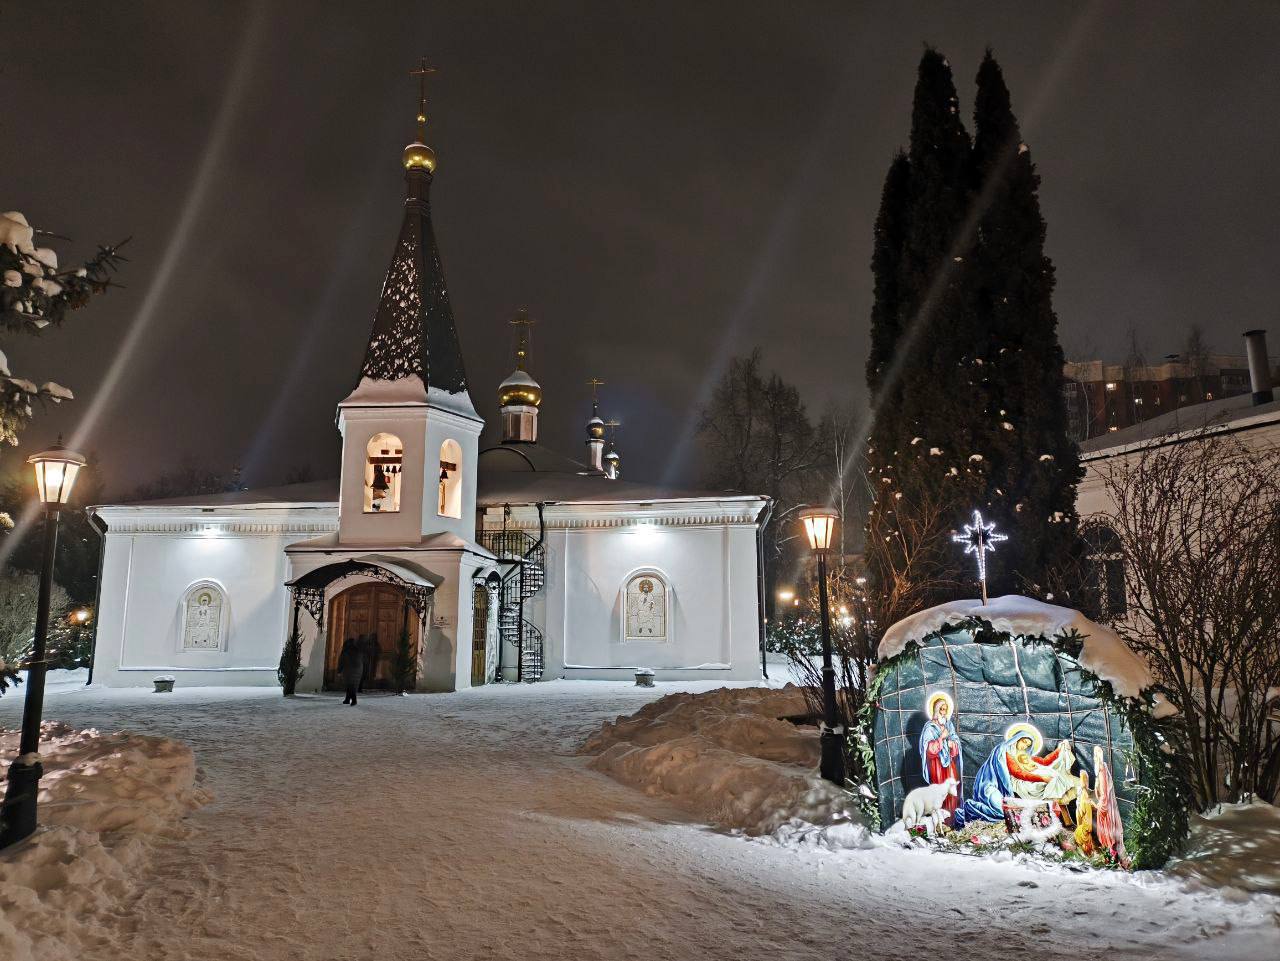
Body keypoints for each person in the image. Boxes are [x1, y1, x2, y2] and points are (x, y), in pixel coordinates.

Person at [919, 692, 963, 826]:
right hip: (937, 765)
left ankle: (952, 821)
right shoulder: (929, 727)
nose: (943, 712)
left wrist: (952, 744)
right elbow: (929, 750)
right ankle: (941, 823)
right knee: (940, 794)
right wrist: (942, 739)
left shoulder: (949, 725)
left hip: (949, 764)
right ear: (935, 710)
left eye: (945, 709)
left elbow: (956, 742)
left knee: (952, 791)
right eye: (941, 709)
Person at [338, 636, 363, 705]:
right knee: (352, 685)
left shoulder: (346, 650)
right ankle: (347, 699)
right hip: (358, 670)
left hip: (348, 670)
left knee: (350, 685)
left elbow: (341, 661)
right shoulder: (358, 650)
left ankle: (354, 700)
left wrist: (339, 671)